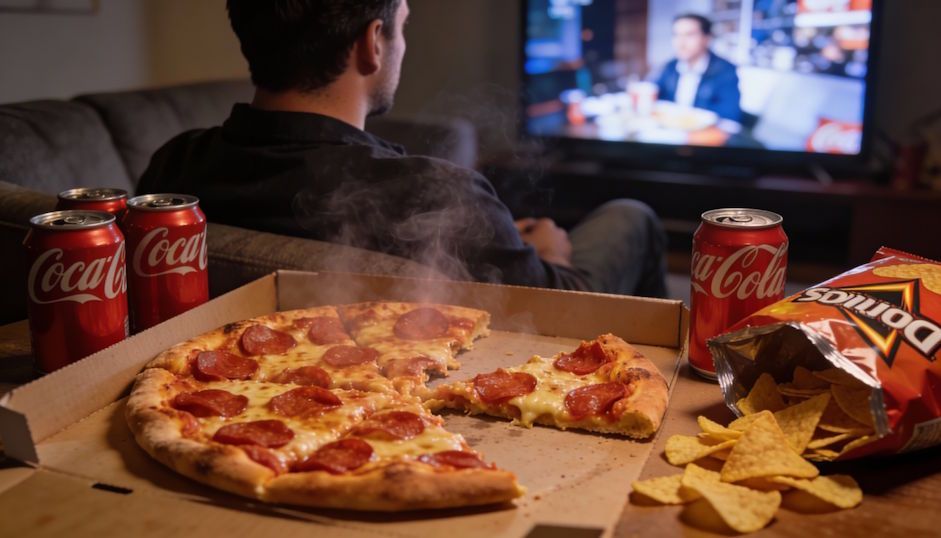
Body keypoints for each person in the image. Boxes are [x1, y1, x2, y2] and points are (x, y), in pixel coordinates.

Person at [138, 0, 667, 297]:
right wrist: (551, 253)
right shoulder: (438, 196)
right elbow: (561, 305)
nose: (402, 45)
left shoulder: (174, 165)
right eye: (403, 28)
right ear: (372, 43)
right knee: (632, 216)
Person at [655, 13, 743, 123]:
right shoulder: (670, 66)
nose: (680, 43)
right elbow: (654, 93)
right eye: (676, 35)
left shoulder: (726, 71)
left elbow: (730, 116)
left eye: (689, 35)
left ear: (707, 38)